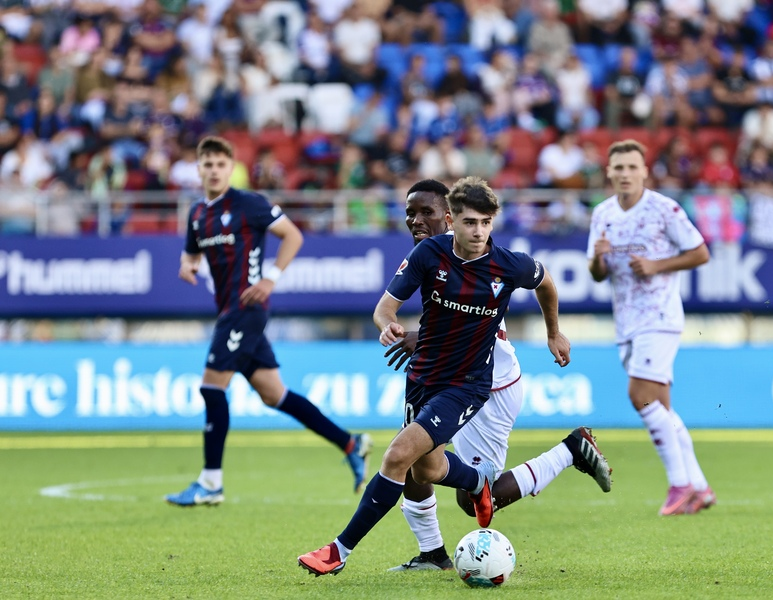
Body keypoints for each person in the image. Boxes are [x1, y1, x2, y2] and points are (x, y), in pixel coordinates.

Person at [297, 176, 571, 577]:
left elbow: (545, 281)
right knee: (423, 470)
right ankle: (476, 485)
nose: (478, 232)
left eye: (485, 223)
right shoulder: (429, 254)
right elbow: (384, 307)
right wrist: (387, 325)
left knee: (396, 456)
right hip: (422, 378)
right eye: (469, 223)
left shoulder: (508, 264)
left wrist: (553, 332)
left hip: (467, 386)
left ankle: (338, 550)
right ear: (453, 220)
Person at [385, 179, 612, 571]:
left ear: (450, 216)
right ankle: (432, 554)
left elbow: (476, 318)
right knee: (408, 451)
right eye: (411, 213)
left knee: (473, 498)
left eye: (427, 213)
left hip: (486, 384)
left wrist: (553, 332)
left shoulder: (483, 254)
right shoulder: (429, 253)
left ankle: (570, 450)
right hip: (443, 376)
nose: (416, 220)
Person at [165, 136, 372, 507]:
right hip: (228, 310)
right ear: (198, 169)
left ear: (231, 168)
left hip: (246, 309)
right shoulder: (197, 214)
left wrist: (270, 278)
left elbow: (292, 235)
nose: (213, 170)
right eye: (207, 164)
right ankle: (349, 442)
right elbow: (191, 253)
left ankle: (211, 483)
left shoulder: (249, 204)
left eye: (219, 164)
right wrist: (187, 265)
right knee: (274, 394)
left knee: (212, 388)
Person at [586, 140, 716, 516]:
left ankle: (680, 485)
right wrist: (599, 257)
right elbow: (596, 275)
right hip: (625, 322)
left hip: (659, 317)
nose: (625, 173)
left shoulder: (664, 208)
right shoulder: (603, 214)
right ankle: (701, 488)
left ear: (645, 171)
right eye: (618, 168)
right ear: (609, 173)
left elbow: (701, 251)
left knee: (639, 396)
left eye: (632, 167)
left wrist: (657, 266)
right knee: (660, 407)